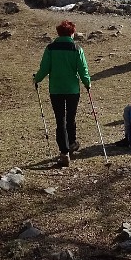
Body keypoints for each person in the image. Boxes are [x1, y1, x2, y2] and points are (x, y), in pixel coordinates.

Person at [34, 20, 91, 166]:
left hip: (56, 89)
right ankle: (72, 142)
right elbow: (82, 69)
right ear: (72, 33)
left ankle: (64, 151)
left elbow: (44, 68)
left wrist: (37, 79)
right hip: (72, 90)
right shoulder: (77, 48)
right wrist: (87, 82)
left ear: (58, 33)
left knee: (60, 120)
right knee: (70, 117)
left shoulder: (51, 48)